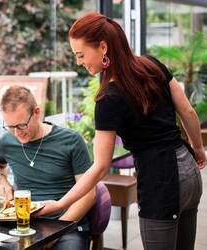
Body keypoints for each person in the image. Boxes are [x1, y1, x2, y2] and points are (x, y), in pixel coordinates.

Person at [36, 12, 206, 250]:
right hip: (188, 169)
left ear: (103, 47)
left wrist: (60, 203)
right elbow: (187, 112)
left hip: (161, 179)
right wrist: (198, 149)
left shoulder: (109, 99)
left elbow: (100, 166)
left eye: (81, 55)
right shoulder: (152, 64)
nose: (79, 62)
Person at [0, 85, 96, 250]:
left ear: (37, 112)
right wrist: (2, 179)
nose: (17, 133)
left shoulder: (71, 140)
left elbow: (89, 194)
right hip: (23, 224)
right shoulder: (6, 141)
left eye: (21, 125)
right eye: (10, 127)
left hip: (67, 224)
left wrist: (55, 232)